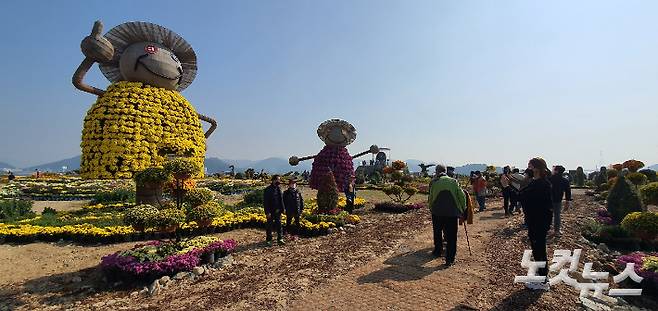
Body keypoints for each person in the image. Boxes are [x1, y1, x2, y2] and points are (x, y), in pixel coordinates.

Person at [517, 157, 553, 290]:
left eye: (530, 166)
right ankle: (541, 275)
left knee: (539, 250)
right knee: (537, 249)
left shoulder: (541, 184)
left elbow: (522, 197)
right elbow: (522, 195)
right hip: (536, 220)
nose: (528, 169)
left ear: (537, 168)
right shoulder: (536, 182)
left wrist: (507, 187)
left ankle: (543, 281)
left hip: (539, 221)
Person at [428, 165, 467, 266]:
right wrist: (463, 209)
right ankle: (450, 258)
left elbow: (431, 198)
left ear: (437, 172)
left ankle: (437, 251)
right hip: (451, 213)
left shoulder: (434, 182)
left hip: (437, 212)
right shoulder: (453, 182)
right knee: (451, 236)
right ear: (445, 171)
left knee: (437, 232)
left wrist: (431, 208)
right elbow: (461, 196)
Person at [550, 165, 572, 237]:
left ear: (556, 171)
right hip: (558, 199)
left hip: (548, 199)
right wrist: (567, 201)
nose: (552, 170)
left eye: (553, 169)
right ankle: (557, 231)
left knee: (547, 214)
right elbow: (568, 192)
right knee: (557, 215)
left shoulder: (549, 179)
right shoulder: (565, 180)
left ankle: (546, 229)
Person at [263, 175, 285, 246]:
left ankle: (280, 238)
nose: (279, 181)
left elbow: (281, 200)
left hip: (277, 211)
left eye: (279, 180)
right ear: (273, 180)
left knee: (279, 225)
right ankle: (269, 240)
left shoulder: (279, 189)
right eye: (278, 180)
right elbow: (265, 202)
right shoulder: (267, 190)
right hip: (270, 211)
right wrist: (267, 212)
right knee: (269, 226)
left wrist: (283, 209)